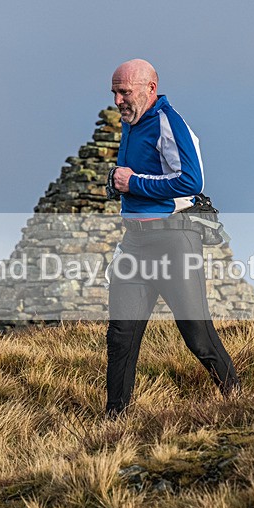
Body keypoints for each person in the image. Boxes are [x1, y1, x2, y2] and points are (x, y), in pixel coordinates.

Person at [105, 58, 241, 418]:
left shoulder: (169, 122)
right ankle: (114, 420)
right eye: (115, 92)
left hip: (174, 240)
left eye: (125, 92)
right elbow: (145, 174)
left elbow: (191, 183)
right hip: (134, 242)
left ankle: (238, 400)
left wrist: (131, 182)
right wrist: (119, 182)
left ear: (150, 88)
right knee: (121, 335)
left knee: (196, 333)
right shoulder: (133, 123)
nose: (118, 101)